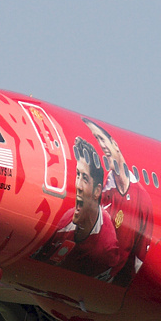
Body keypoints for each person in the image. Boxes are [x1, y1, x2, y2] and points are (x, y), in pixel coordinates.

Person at [32, 137, 125, 282]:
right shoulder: (69, 218)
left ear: (97, 191)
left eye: (85, 179)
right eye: (78, 175)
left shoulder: (107, 249)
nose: (78, 186)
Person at [83, 118, 153, 285]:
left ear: (114, 143)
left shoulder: (142, 199)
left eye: (101, 139)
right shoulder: (103, 194)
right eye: (96, 139)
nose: (101, 145)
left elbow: (140, 257)